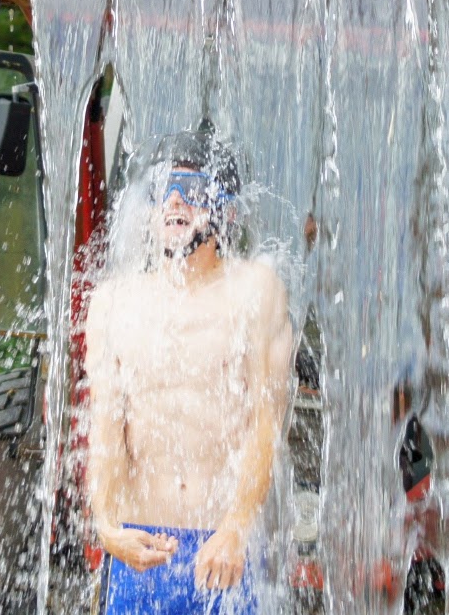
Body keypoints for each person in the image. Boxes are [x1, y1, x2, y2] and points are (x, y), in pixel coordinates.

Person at [85, 129, 293, 615]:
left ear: (226, 211)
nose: (174, 200)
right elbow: (105, 431)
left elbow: (266, 423)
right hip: (141, 549)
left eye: (192, 188)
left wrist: (237, 527)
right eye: (164, 188)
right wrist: (107, 524)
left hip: (223, 549)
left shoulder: (256, 290)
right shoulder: (113, 303)